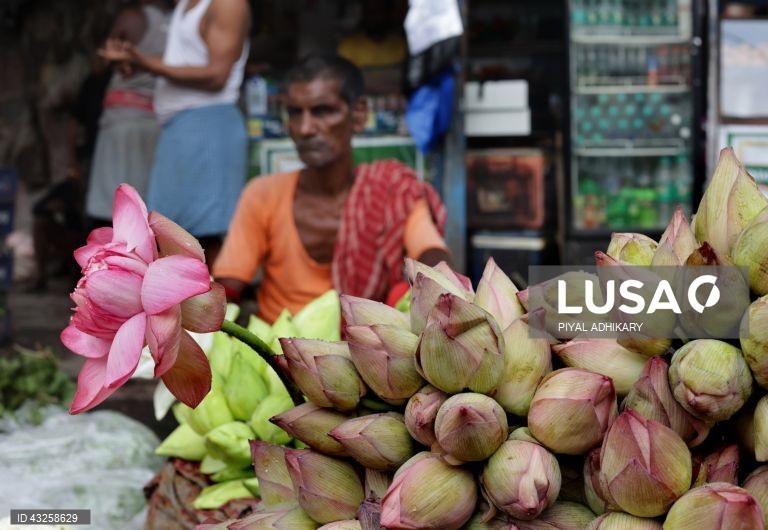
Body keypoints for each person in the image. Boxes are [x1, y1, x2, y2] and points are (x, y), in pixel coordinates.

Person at [212, 54, 451, 324]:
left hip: (365, 352)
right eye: (294, 113)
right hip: (279, 355)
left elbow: (433, 258)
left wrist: (430, 288)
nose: (305, 128)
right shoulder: (262, 194)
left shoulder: (393, 191)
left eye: (323, 111)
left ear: (358, 115)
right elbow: (228, 286)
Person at [99, 0, 251, 266]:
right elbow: (182, 63)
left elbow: (217, 75)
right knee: (172, 234)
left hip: (207, 124)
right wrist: (135, 61)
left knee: (204, 237)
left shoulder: (228, 4)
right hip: (180, 127)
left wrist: (145, 62)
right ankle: (188, 306)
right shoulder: (185, 4)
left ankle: (218, 307)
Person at [86, 0, 170, 227]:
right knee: (145, 206)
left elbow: (99, 64)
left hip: (122, 123)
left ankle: (115, 259)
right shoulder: (176, 22)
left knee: (113, 206)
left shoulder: (131, 17)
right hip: (155, 121)